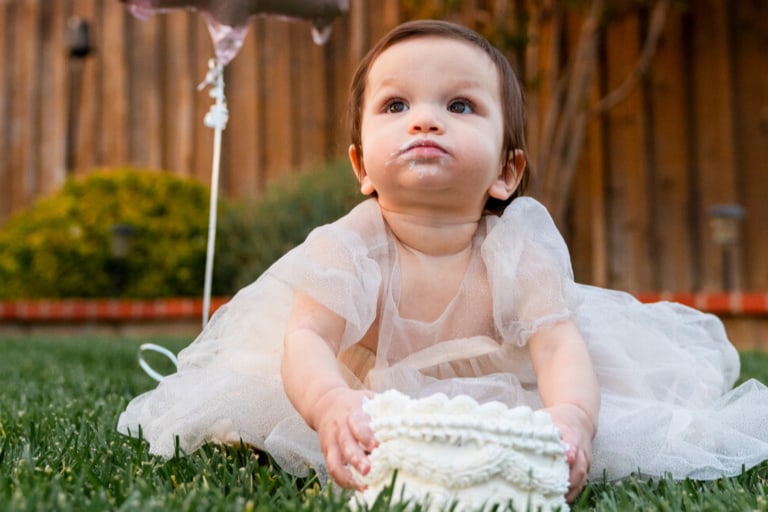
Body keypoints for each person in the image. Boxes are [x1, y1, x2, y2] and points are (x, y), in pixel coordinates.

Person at [118, 19, 768, 503]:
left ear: (506, 173)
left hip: (510, 389)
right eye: (396, 105)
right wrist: (330, 404)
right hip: (363, 388)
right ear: (361, 166)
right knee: (270, 411)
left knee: (596, 397)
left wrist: (570, 418)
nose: (424, 121)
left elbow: (558, 350)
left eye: (459, 106)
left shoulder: (519, 248)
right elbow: (307, 339)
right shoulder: (348, 244)